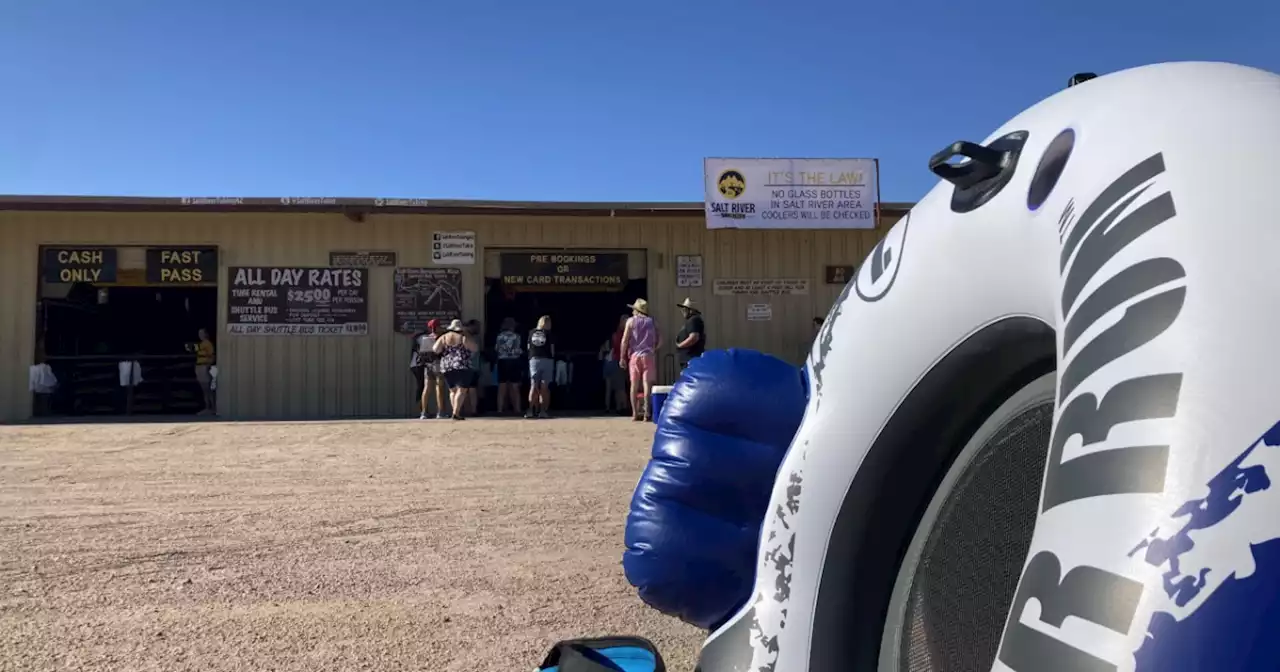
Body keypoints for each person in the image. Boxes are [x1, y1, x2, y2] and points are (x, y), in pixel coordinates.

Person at [620, 298, 660, 422]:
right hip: (648, 355)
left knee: (634, 384)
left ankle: (634, 413)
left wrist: (622, 357)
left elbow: (625, 340)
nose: (632, 312)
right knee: (647, 384)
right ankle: (646, 412)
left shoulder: (630, 322)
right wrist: (654, 349)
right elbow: (661, 339)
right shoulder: (652, 322)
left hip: (635, 356)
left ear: (637, 310)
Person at [433, 319, 478, 420]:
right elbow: (474, 348)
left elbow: (435, 349)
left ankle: (455, 411)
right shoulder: (463, 337)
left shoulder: (443, 337)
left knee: (452, 390)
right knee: (462, 390)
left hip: (447, 365)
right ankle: (456, 413)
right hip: (461, 364)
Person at [410, 319, 448, 419]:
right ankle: (440, 412)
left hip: (427, 365)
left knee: (426, 388)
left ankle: (423, 412)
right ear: (436, 327)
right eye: (439, 326)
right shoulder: (440, 338)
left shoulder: (424, 339)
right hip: (438, 364)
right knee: (439, 387)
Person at [526, 315, 555, 419]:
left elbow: (528, 347)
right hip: (546, 359)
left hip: (533, 360)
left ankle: (530, 410)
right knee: (544, 386)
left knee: (533, 385)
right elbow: (552, 349)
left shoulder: (531, 332)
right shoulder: (548, 334)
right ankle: (542, 411)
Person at [599, 315, 629, 413]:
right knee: (620, 386)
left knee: (614, 386)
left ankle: (613, 407)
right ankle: (623, 407)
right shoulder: (621, 335)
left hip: (611, 361)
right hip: (618, 361)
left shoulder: (615, 335)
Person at [495, 317, 524, 415]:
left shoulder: (499, 336)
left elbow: (496, 349)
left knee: (502, 386)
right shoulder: (517, 336)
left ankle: (499, 409)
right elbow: (518, 349)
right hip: (514, 361)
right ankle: (517, 409)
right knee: (515, 386)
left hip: (502, 361)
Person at [190, 328, 216, 416]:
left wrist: (208, 365)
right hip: (199, 366)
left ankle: (211, 408)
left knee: (207, 388)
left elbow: (212, 356)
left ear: (206, 334)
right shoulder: (201, 344)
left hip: (204, 366)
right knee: (204, 389)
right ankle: (207, 407)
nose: (200, 335)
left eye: (201, 333)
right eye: (199, 333)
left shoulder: (208, 344)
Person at [675, 298, 706, 370]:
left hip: (691, 359)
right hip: (688, 359)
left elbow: (694, 337)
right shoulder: (693, 320)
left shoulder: (694, 320)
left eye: (684, 309)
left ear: (691, 310)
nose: (682, 311)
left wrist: (680, 345)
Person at [464, 319, 484, 416]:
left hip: (471, 367)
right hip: (471, 367)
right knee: (471, 389)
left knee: (468, 389)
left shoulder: (473, 337)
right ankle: (472, 410)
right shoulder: (474, 338)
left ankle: (470, 410)